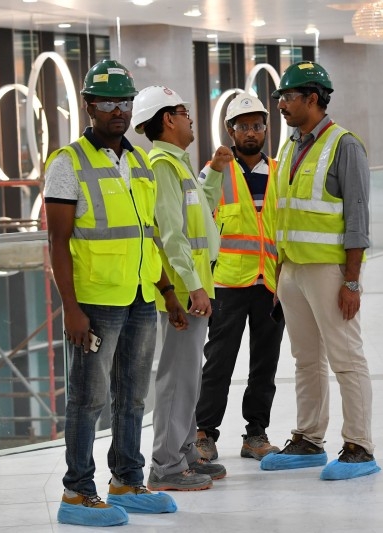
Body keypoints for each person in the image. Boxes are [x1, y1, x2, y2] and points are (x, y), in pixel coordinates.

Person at [44, 59, 186, 527]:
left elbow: (149, 233)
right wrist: (71, 308)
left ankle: (127, 479)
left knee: (132, 397)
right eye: (108, 102)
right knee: (88, 399)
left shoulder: (141, 161)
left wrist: (166, 289)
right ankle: (77, 492)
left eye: (124, 102)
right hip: (96, 303)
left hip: (142, 297)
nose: (118, 111)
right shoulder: (68, 163)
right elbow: (57, 242)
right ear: (89, 107)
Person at [260, 61, 380, 481]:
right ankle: (309, 438)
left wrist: (352, 280)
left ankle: (359, 446)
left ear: (313, 98)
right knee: (305, 359)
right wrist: (279, 275)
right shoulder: (290, 145)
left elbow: (357, 220)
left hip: (329, 271)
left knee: (346, 358)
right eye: (279, 98)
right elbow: (281, 214)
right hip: (292, 270)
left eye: (287, 97)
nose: (280, 105)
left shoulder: (344, 145)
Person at [129, 85, 233, 491]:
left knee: (188, 377)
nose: (191, 117)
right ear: (168, 119)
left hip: (197, 285)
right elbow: (170, 236)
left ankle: (186, 453)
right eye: (184, 111)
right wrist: (191, 288)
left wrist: (215, 172)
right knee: (176, 378)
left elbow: (200, 216)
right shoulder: (162, 165)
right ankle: (167, 466)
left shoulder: (179, 163)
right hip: (186, 292)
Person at [194, 93, 284, 462]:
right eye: (244, 126)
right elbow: (197, 213)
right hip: (228, 283)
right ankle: (203, 433)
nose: (252, 132)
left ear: (265, 129)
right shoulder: (216, 169)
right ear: (230, 129)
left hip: (271, 285)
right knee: (219, 362)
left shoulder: (279, 171)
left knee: (265, 364)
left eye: (258, 125)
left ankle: (256, 434)